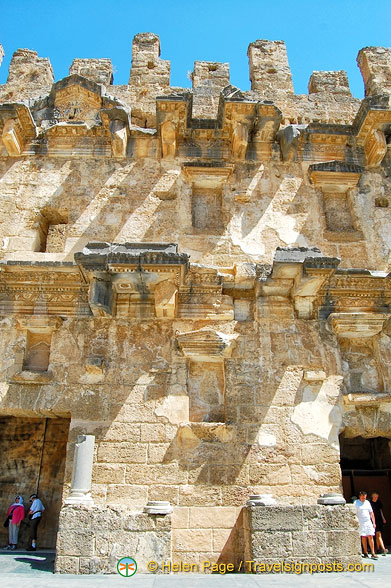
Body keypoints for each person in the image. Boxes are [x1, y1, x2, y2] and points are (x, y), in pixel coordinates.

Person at [355, 490, 378, 559]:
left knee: (370, 536)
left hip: (368, 521)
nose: (363, 499)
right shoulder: (356, 503)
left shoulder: (367, 503)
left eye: (364, 498)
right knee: (363, 536)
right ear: (360, 497)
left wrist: (373, 522)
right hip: (361, 522)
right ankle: (365, 552)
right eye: (362, 497)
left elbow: (371, 512)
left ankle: (373, 553)